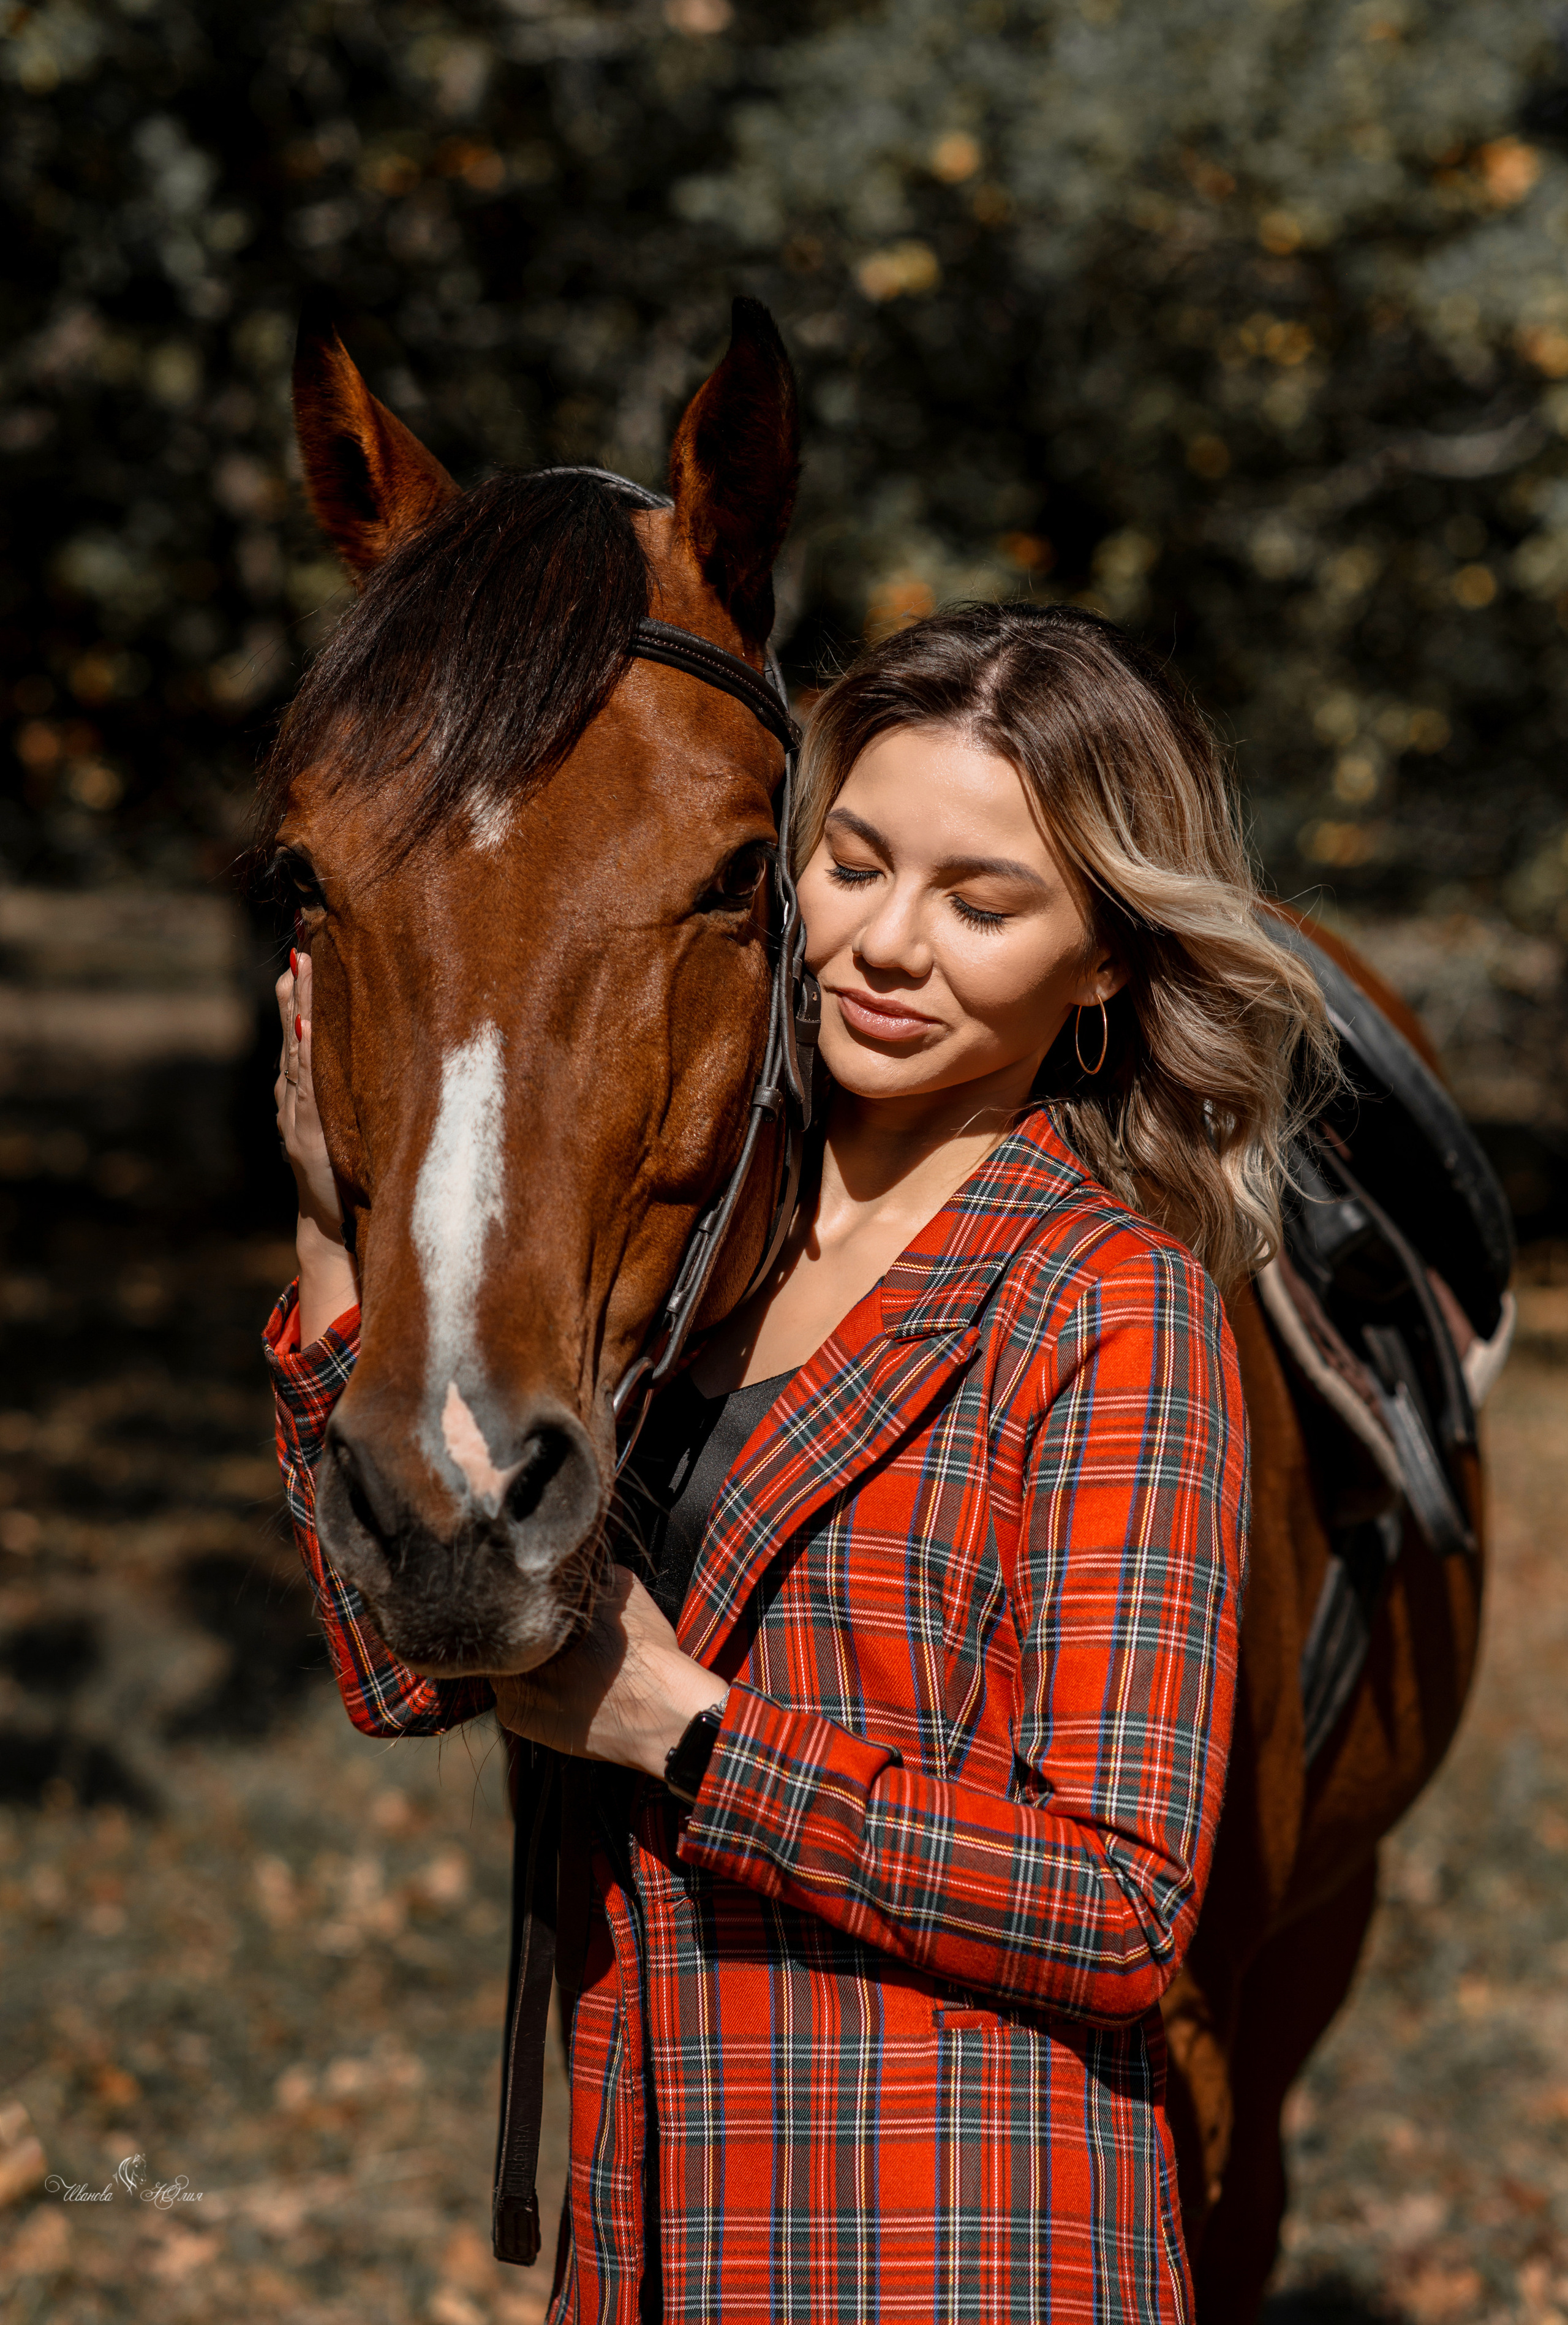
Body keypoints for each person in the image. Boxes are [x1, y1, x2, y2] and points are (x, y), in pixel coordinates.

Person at [267, 600, 1330, 2323]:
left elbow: (1124, 1908)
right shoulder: (697, 1267)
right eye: (850, 863)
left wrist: (685, 1733)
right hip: (652, 2227)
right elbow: (415, 1684)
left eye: (985, 905)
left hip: (951, 2238)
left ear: (1110, 959)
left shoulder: (1104, 1303)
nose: (886, 946)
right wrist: (334, 1257)